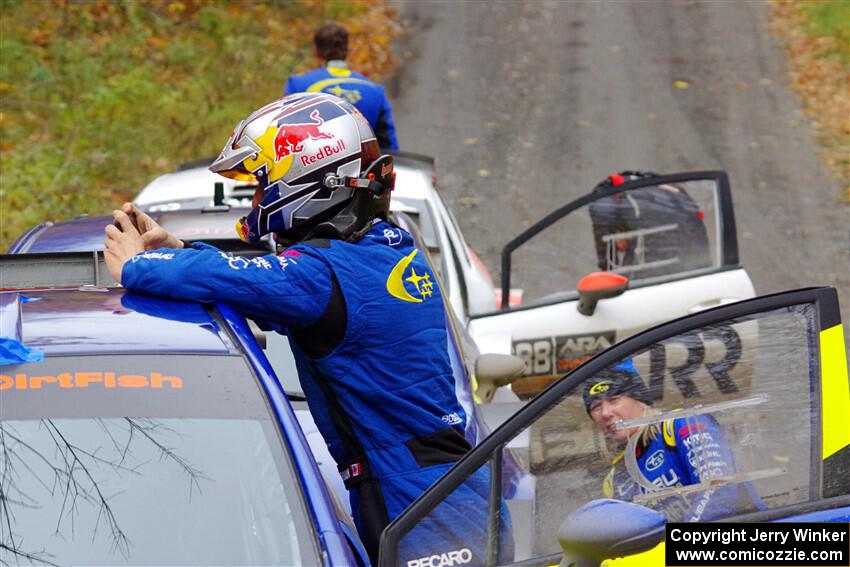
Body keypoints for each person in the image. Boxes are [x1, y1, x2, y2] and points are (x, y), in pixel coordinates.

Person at [103, 92, 509, 564]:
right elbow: (266, 285)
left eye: (261, 185)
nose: (256, 200)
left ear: (307, 183)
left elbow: (268, 280)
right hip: (441, 485)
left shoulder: (323, 276)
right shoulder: (384, 250)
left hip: (416, 498)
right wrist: (178, 248)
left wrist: (141, 266)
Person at [582, 359, 763, 522]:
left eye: (614, 400)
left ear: (639, 399)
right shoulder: (616, 479)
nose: (605, 413)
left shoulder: (683, 424)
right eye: (596, 407)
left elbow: (719, 490)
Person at [285, 21, 398, 152]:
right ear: (348, 50)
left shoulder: (298, 84)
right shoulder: (375, 90)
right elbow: (389, 146)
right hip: (365, 167)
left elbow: (289, 132)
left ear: (316, 51)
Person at [588, 171, 711, 279]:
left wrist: (607, 270)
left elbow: (604, 241)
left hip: (652, 278)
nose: (622, 249)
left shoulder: (607, 198)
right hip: (699, 275)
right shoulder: (671, 188)